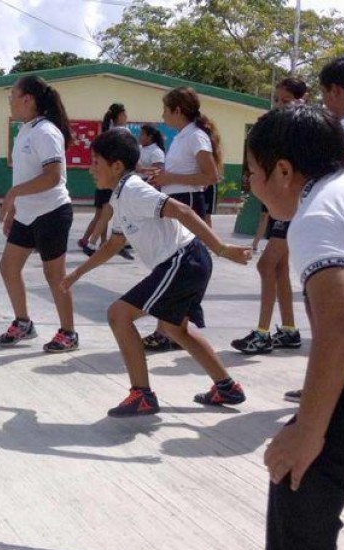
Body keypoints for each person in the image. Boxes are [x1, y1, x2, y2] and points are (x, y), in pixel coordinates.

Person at [248, 105, 344, 550]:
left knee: (299, 468)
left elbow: (342, 323)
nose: (249, 187)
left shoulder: (316, 212)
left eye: (251, 174)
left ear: (283, 171)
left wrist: (307, 434)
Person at [61, 128, 251, 417]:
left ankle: (142, 396)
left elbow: (182, 212)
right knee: (175, 328)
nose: (90, 169)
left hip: (182, 260)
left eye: (95, 162)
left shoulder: (134, 190)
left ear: (116, 166)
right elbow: (114, 243)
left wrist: (222, 248)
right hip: (186, 261)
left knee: (118, 314)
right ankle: (226, 386)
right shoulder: (120, 197)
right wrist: (78, 273)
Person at [282, 57, 344, 401]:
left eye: (325, 93)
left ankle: (330, 388)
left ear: (336, 90)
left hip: (342, 239)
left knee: (327, 312)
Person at [0, 74, 79, 353]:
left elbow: (53, 177)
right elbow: (27, 174)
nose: (9, 102)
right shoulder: (26, 130)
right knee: (8, 267)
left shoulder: (46, 131)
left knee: (54, 275)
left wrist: (13, 194)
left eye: (12, 97)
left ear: (27, 99)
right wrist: (16, 209)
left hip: (52, 212)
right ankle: (23, 323)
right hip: (28, 214)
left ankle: (69, 333)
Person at [143, 87, 222, 351]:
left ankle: (168, 330)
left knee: (177, 264)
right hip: (177, 201)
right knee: (172, 263)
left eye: (166, 110)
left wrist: (171, 178)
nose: (163, 115)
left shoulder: (195, 137)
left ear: (178, 110)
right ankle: (170, 329)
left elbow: (211, 176)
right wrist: (163, 176)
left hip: (188, 202)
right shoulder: (182, 137)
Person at [231, 77, 307, 355]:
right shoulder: (279, 130)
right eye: (277, 100)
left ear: (303, 99)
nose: (279, 105)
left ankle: (262, 334)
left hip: (293, 207)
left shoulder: (302, 131)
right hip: (279, 207)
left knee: (266, 265)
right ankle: (288, 329)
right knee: (280, 269)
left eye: (285, 101)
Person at [81, 103, 134, 260]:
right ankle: (94, 243)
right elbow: (130, 154)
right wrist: (142, 169)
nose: (126, 117)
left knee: (105, 211)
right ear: (120, 116)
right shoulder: (123, 132)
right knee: (110, 211)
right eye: (125, 114)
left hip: (104, 176)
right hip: (115, 177)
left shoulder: (106, 132)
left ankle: (99, 243)